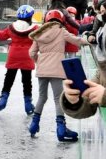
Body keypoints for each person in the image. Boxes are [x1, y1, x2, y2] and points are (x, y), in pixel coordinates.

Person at [28, 10, 87, 142]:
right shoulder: (61, 30)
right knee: (58, 99)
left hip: (42, 71)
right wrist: (88, 41)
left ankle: (33, 125)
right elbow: (75, 40)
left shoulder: (39, 33)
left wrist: (40, 62)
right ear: (60, 20)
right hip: (57, 70)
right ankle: (61, 129)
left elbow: (32, 53)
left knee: (42, 97)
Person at [0, 5, 38, 115]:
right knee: (27, 81)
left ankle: (2, 101)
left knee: (9, 79)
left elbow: (0, 36)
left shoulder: (11, 27)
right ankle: (28, 105)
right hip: (27, 56)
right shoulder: (35, 29)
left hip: (14, 55)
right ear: (30, 17)